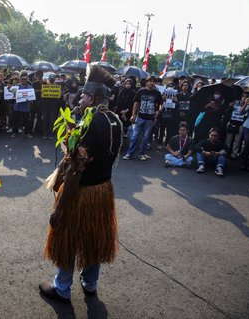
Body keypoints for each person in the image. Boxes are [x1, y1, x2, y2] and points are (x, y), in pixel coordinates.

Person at [40, 66, 121, 303]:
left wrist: (60, 207)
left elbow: (76, 170)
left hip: (83, 192)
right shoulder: (115, 119)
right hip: (103, 190)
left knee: (69, 235)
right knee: (95, 236)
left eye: (84, 96)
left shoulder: (90, 123)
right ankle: (90, 283)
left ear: (93, 98)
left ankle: (62, 288)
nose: (80, 98)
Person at [123, 75, 163, 161]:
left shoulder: (157, 93)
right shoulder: (141, 91)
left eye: (153, 81)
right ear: (146, 82)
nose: (151, 83)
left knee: (145, 137)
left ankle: (142, 154)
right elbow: (136, 104)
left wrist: (158, 111)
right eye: (150, 81)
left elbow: (161, 104)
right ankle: (129, 154)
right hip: (140, 117)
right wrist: (133, 115)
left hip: (150, 118)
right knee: (135, 136)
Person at [224, 92, 249, 159]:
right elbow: (228, 110)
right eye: (243, 96)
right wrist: (230, 106)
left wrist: (245, 104)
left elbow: (242, 112)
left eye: (246, 97)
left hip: (241, 124)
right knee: (228, 140)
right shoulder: (236, 102)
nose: (244, 98)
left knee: (237, 141)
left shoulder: (248, 105)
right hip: (231, 122)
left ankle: (234, 154)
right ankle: (226, 152)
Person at [11, 71, 33, 138]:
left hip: (26, 107)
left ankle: (27, 133)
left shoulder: (30, 87)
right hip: (18, 107)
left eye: (25, 79)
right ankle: (14, 132)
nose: (23, 80)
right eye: (22, 79)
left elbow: (32, 98)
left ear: (27, 79)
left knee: (26, 121)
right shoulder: (16, 86)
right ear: (20, 79)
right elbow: (12, 95)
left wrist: (30, 99)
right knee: (16, 121)